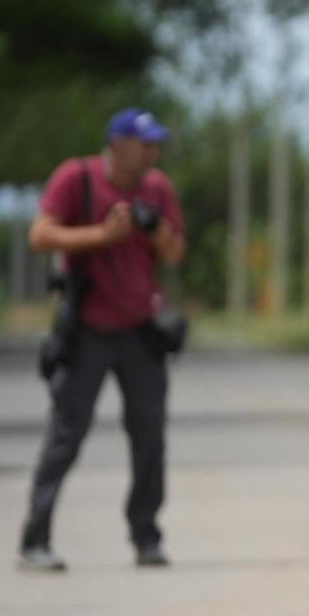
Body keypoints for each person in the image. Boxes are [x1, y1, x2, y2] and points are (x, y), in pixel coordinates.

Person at [19, 109, 186, 573]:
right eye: (144, 143)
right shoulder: (77, 179)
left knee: (150, 434)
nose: (152, 152)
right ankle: (36, 538)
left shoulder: (157, 189)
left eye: (155, 143)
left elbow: (173, 253)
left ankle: (146, 536)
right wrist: (103, 234)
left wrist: (156, 231)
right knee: (66, 436)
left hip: (139, 330)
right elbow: (40, 235)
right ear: (117, 143)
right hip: (88, 329)